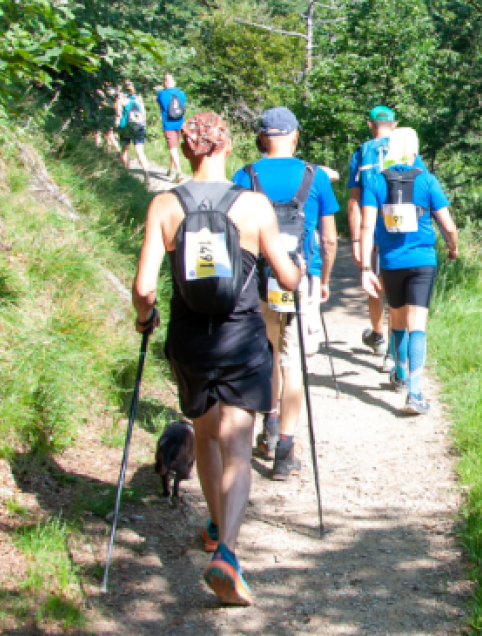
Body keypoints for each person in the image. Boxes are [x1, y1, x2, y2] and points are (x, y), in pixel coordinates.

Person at [132, 112, 303, 607]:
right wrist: (297, 265)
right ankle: (227, 550)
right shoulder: (252, 204)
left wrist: (146, 317)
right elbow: (287, 280)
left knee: (205, 434)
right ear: (226, 146)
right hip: (242, 338)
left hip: (190, 340)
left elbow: (145, 288)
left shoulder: (164, 204)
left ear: (186, 150)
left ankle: (211, 525)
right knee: (236, 445)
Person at [233, 107, 339, 479]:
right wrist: (323, 279)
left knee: (268, 350)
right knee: (292, 358)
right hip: (297, 278)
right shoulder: (316, 177)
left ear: (262, 138)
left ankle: (271, 421)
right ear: (294, 135)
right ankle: (285, 449)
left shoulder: (244, 176)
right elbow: (328, 238)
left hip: (256, 279)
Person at [359, 127, 458, 414]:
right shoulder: (427, 180)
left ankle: (401, 376)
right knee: (418, 324)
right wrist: (453, 246)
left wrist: (366, 266)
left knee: (398, 318)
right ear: (414, 151)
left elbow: (367, 226)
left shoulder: (377, 182)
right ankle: (414, 394)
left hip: (391, 262)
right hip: (422, 261)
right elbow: (448, 225)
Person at [347, 106, 397, 360]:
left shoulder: (361, 154)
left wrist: (356, 239)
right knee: (397, 290)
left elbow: (354, 201)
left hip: (372, 230)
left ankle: (378, 336)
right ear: (394, 125)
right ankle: (393, 350)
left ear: (370, 125)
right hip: (400, 230)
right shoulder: (405, 151)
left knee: (373, 283)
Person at [115, 81, 152, 176]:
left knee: (125, 151)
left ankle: (126, 174)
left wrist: (116, 128)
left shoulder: (121, 98)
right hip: (139, 127)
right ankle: (147, 176)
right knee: (140, 152)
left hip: (125, 127)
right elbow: (143, 114)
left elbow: (118, 114)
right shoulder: (138, 97)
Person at [156, 73, 188, 180]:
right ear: (174, 82)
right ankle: (171, 169)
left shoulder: (161, 94)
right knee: (174, 147)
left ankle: (179, 172)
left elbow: (160, 105)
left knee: (172, 148)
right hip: (180, 123)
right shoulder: (182, 93)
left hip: (168, 124)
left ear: (165, 82)